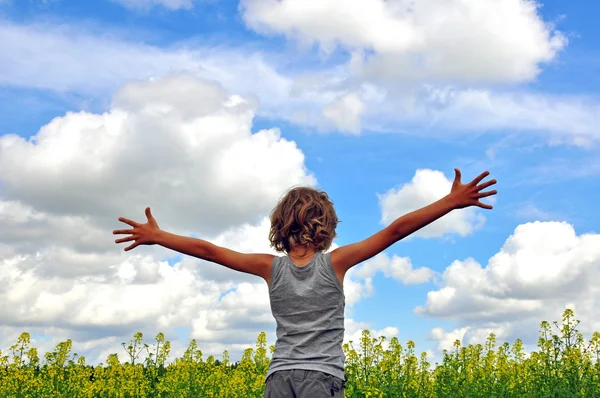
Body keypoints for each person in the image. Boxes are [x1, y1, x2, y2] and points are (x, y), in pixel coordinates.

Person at [113, 168, 497, 397]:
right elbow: (396, 230)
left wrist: (160, 237)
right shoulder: (337, 263)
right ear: (327, 228)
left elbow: (210, 251)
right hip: (321, 377)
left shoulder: (269, 268)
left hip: (279, 378)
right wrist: (448, 202)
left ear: (280, 227)